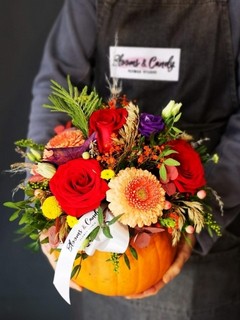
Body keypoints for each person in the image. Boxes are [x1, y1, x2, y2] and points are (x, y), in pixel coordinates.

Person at [28, 0, 240, 319]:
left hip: (201, 243)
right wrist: (44, 195)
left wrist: (200, 216)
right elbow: (57, 87)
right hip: (98, 247)